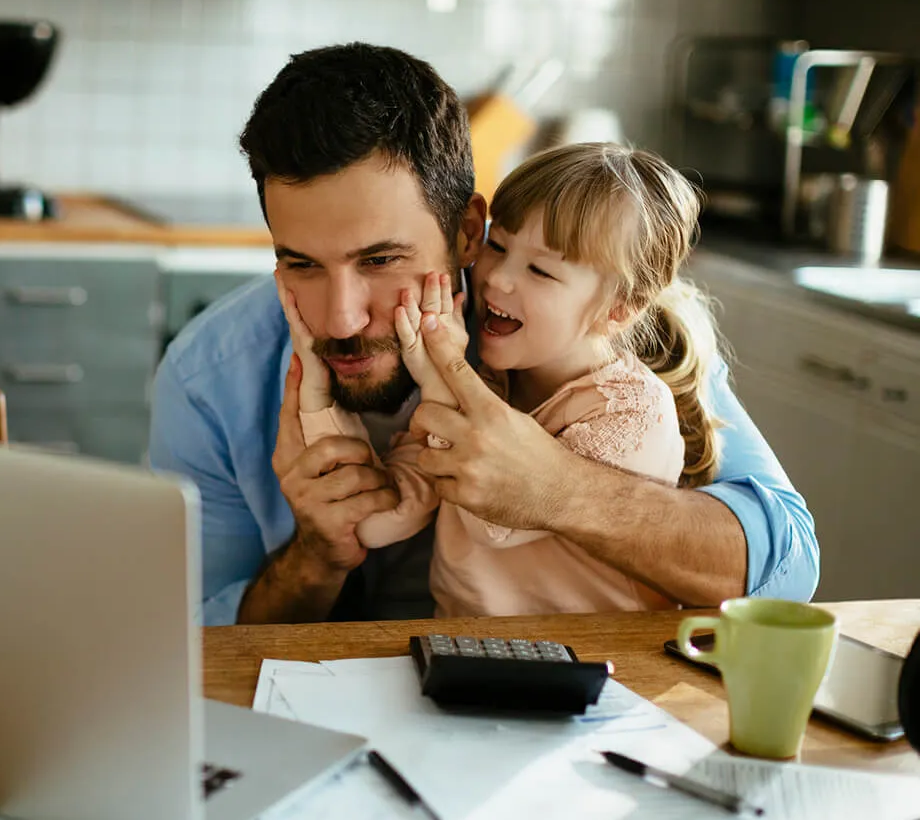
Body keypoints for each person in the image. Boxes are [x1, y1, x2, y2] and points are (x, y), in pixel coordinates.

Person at [147, 42, 819, 626]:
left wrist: (558, 489)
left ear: (470, 232)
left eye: (382, 261)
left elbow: (785, 565)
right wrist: (317, 554)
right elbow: (194, 645)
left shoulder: (592, 335)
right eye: (301, 263)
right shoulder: (212, 377)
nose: (342, 319)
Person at [292, 142, 721, 616]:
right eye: (498, 246)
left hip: (597, 666)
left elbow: (495, 520)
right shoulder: (493, 381)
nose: (497, 279)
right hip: (469, 654)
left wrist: (438, 378)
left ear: (618, 309)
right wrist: (315, 391)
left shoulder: (631, 412)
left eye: (540, 270)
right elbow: (380, 524)